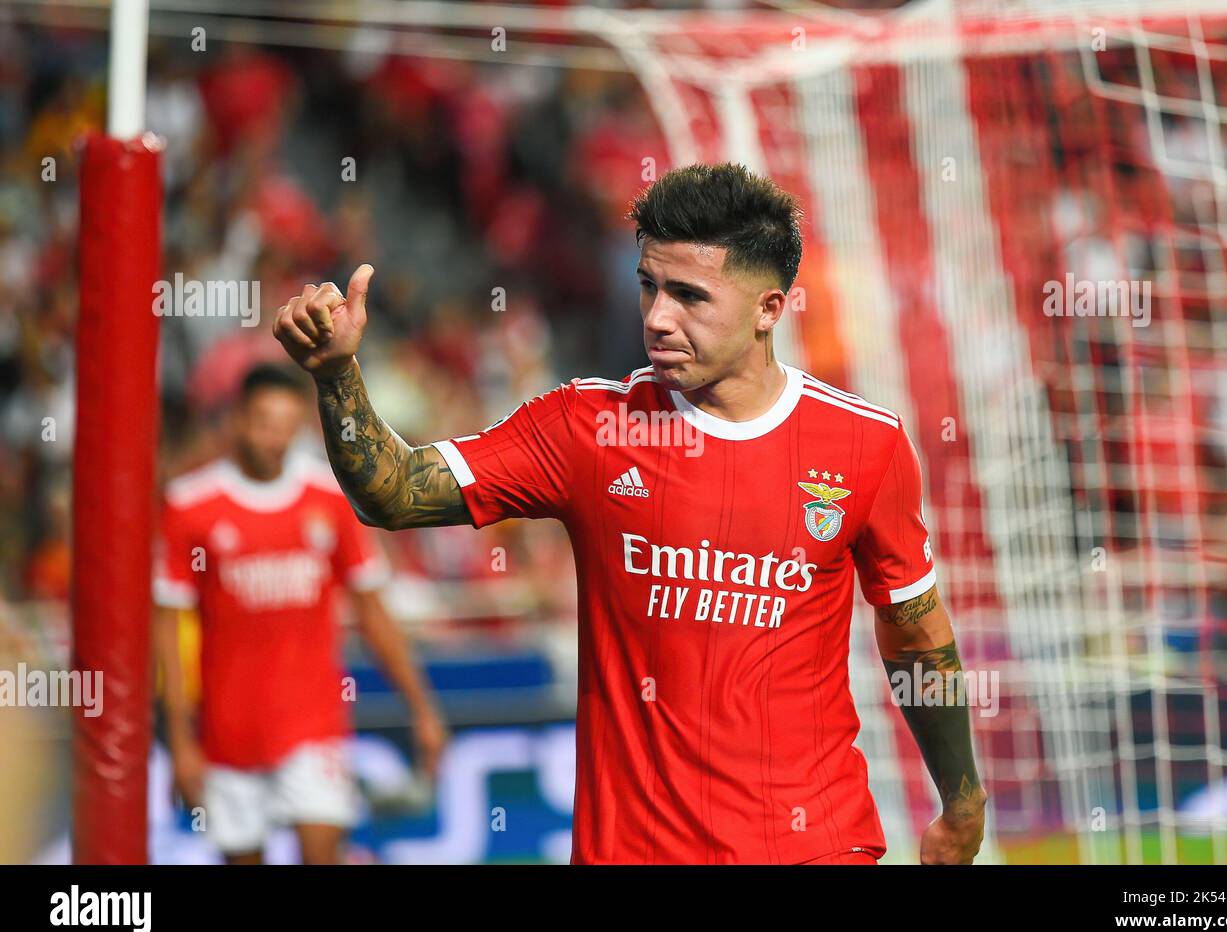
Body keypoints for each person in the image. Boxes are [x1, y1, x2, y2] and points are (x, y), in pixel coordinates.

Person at [272, 162, 986, 864]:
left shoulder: (867, 444)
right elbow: (394, 491)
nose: (657, 318)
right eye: (647, 287)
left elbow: (915, 635)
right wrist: (337, 377)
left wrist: (962, 801)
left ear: (770, 308)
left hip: (816, 845)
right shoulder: (587, 427)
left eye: (689, 296)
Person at [153, 363, 447, 864]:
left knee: (322, 850)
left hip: (314, 727)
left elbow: (372, 612)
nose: (276, 438)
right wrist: (180, 743)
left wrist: (421, 707)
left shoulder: (329, 500)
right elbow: (168, 632)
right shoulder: (190, 506)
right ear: (238, 420)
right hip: (228, 735)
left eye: (287, 426)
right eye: (265, 422)